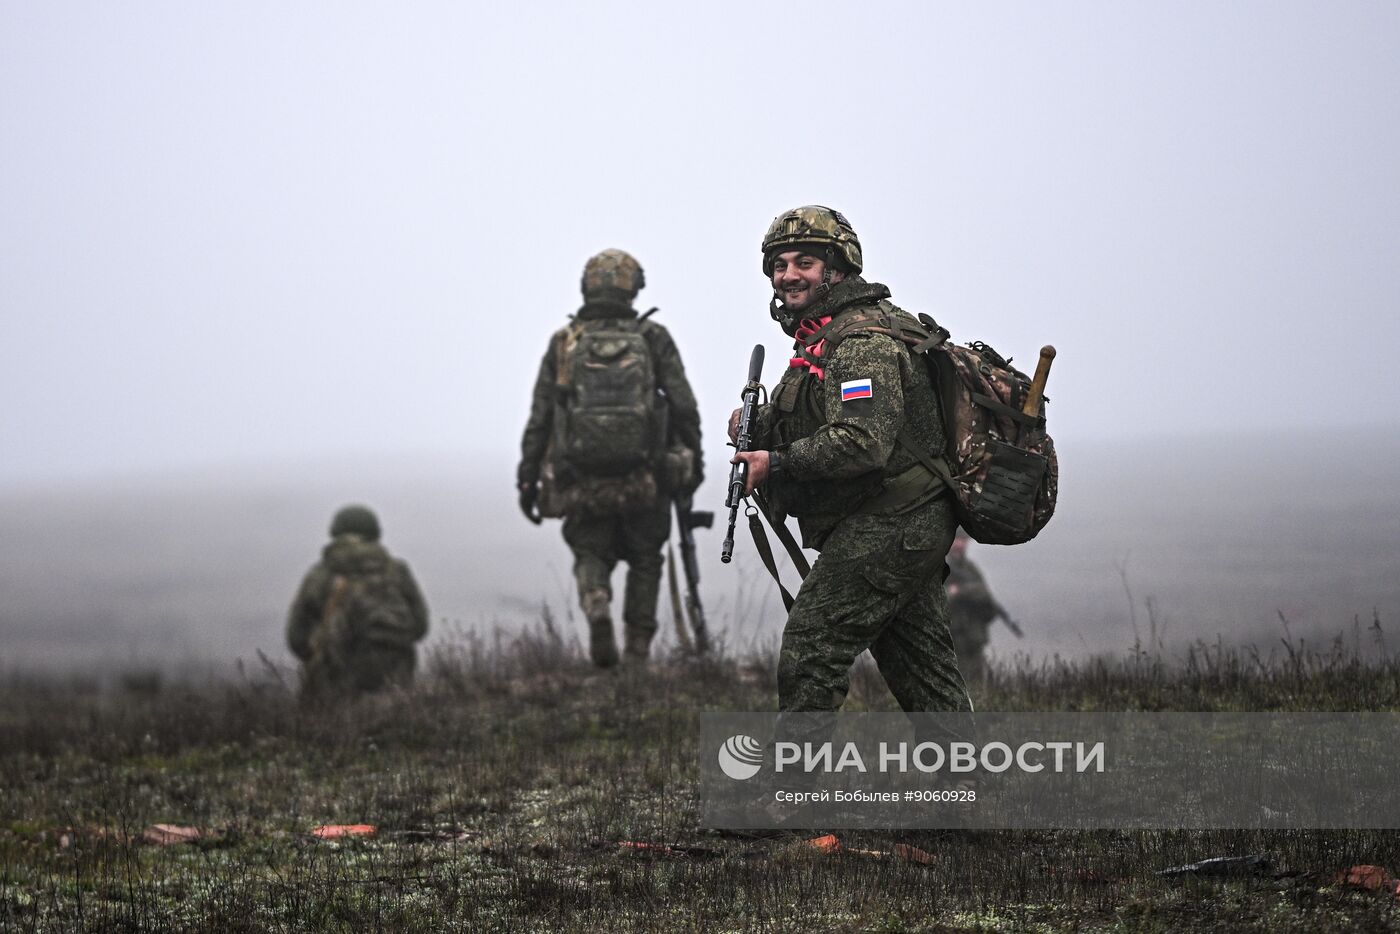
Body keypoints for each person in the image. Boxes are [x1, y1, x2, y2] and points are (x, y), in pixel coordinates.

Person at [729, 205, 970, 713]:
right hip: (897, 524)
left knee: (812, 648)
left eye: (804, 263)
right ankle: (968, 784)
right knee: (924, 672)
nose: (787, 275)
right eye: (779, 264)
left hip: (891, 522)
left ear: (837, 270)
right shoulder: (821, 339)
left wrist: (775, 463)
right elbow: (814, 412)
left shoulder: (860, 341)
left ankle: (792, 789)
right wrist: (756, 424)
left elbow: (862, 439)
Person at [517, 249, 702, 668]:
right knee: (645, 559)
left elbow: (541, 416)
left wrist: (527, 479)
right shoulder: (653, 338)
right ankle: (637, 653)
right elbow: (684, 406)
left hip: (580, 477)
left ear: (587, 286)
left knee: (589, 552)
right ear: (634, 288)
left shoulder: (565, 342)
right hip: (648, 475)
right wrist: (693, 464)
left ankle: (597, 603)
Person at [286, 504, 429, 697]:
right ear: (375, 533)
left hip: (335, 683)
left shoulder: (320, 575)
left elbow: (296, 637)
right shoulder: (397, 571)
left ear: (335, 533)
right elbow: (420, 626)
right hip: (395, 681)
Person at [946, 530, 1001, 683]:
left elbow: (984, 594)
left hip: (973, 639)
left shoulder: (970, 569)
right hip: (953, 639)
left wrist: (962, 591)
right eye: (957, 539)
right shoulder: (941, 566)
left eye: (964, 540)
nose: (960, 544)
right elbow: (943, 597)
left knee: (977, 686)